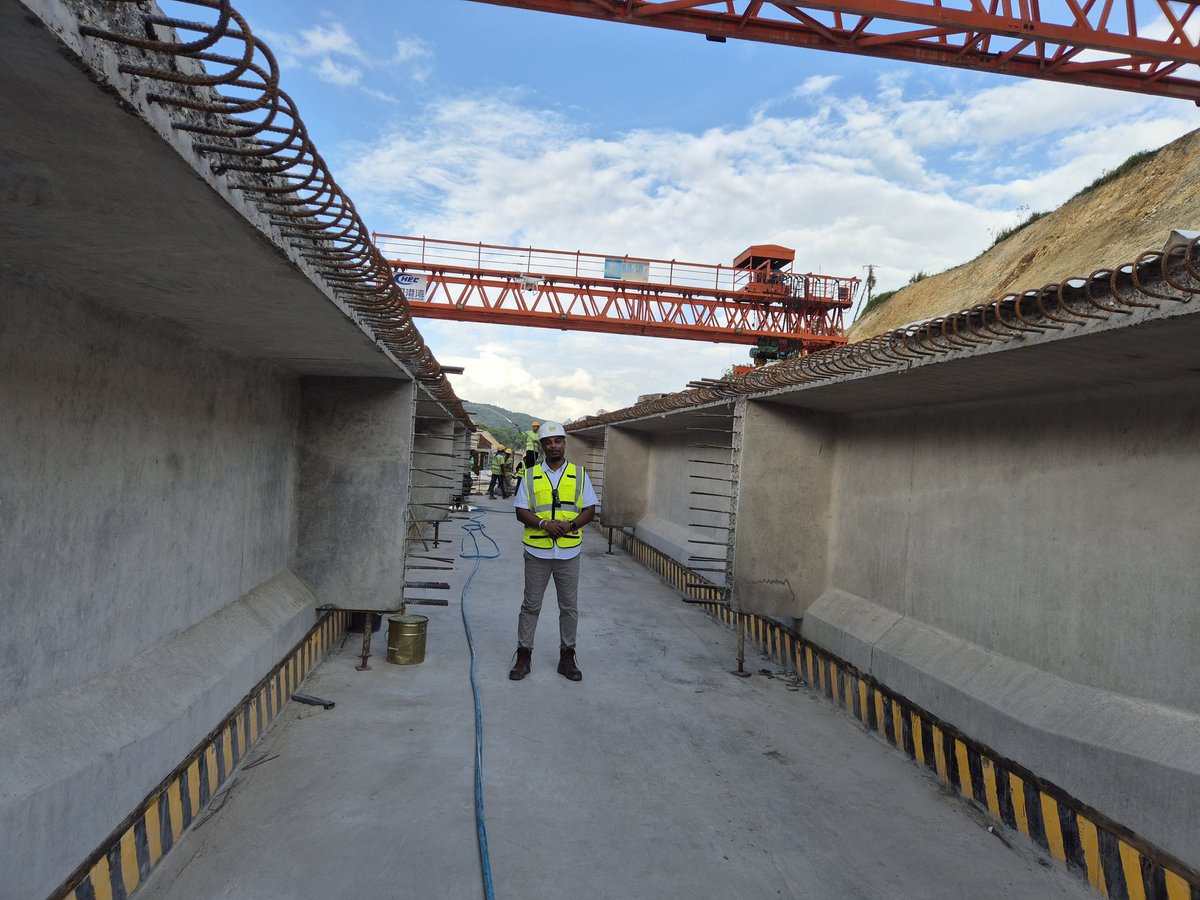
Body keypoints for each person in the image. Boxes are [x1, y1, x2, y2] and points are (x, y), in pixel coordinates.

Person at [509, 421, 597, 682]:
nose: (553, 445)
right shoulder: (530, 475)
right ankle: (524, 655)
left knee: (569, 607)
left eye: (558, 441)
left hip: (568, 552)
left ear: (564, 443)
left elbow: (589, 510)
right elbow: (520, 511)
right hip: (537, 551)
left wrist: (569, 526)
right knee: (531, 606)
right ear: (542, 445)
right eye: (548, 442)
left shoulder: (580, 475)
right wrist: (544, 524)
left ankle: (567, 657)